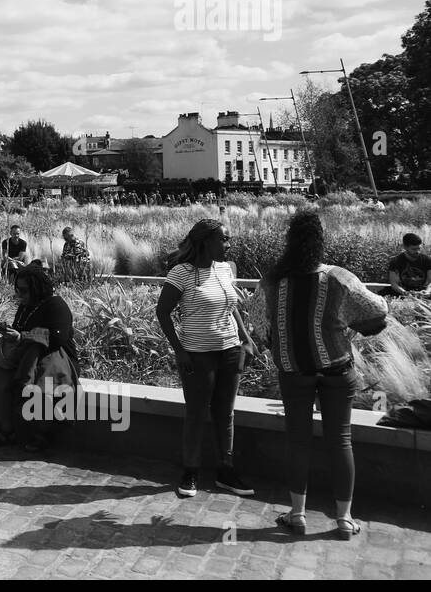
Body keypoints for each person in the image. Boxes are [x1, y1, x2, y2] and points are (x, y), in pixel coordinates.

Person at [259, 211, 388, 540]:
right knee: (340, 440)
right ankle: (344, 519)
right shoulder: (338, 278)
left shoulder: (274, 282)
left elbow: (262, 328)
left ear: (290, 240)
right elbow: (378, 311)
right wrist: (349, 322)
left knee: (297, 441)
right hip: (336, 369)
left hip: (294, 371)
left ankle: (297, 514)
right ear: (319, 241)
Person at [155, 218, 255, 499]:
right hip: (197, 355)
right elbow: (162, 312)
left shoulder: (225, 269)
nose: (229, 244)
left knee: (225, 412)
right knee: (197, 413)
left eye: (229, 239)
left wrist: (245, 338)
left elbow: (231, 306)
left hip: (230, 349)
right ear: (204, 242)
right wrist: (179, 349)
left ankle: (226, 469)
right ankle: (191, 471)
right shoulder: (181, 273)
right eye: (224, 239)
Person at [0, 263, 76, 451]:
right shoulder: (26, 306)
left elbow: (58, 338)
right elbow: (21, 330)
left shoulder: (56, 304)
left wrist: (22, 337)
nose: (19, 295)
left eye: (24, 290)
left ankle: (41, 434)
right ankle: (7, 430)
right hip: (27, 356)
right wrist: (11, 333)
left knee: (41, 385)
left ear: (37, 288)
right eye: (17, 290)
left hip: (54, 357)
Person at [385, 233, 431, 298]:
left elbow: (430, 282)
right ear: (405, 247)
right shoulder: (396, 261)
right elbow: (394, 284)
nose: (417, 251)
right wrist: (405, 293)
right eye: (414, 249)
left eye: (419, 248)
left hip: (423, 292)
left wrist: (427, 291)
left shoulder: (427, 260)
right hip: (403, 292)